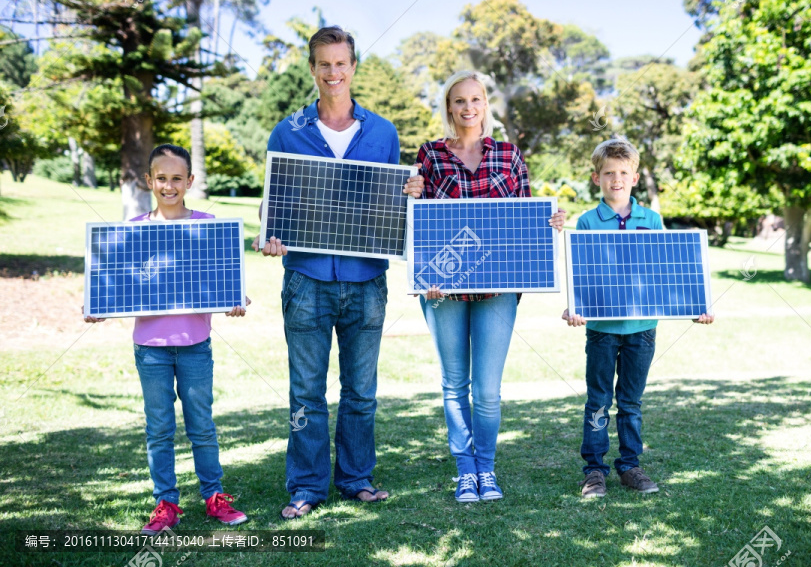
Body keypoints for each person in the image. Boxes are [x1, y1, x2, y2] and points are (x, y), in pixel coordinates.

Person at [252, 26, 424, 519]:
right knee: (306, 390)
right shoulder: (288, 132)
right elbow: (275, 203)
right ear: (312, 68)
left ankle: (355, 479)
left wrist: (408, 194)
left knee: (361, 390)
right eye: (323, 64)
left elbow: (389, 206)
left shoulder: (383, 133)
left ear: (353, 67)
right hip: (306, 278)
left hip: (366, 280)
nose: (333, 73)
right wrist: (271, 233)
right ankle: (306, 487)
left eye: (341, 63)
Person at [416, 70, 566, 502]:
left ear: (486, 105)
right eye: (459, 101)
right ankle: (465, 471)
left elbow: (525, 219)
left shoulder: (508, 155)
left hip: (498, 287)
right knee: (453, 384)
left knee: (486, 389)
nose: (468, 108)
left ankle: (486, 468)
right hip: (443, 289)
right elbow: (415, 220)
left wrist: (549, 221)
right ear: (449, 108)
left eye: (476, 100)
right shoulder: (429, 155)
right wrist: (424, 274)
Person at [84, 144, 249, 534]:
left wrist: (235, 299)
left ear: (189, 181)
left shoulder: (208, 225)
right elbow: (119, 287)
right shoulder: (135, 230)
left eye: (177, 178)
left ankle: (214, 497)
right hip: (151, 350)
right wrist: (99, 305)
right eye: (162, 178)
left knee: (201, 426)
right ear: (149, 181)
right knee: (159, 428)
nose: (169, 185)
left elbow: (223, 280)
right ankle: (166, 504)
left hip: (195, 346)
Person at [561, 136, 714, 498]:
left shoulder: (652, 219)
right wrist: (574, 307)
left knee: (630, 402)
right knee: (598, 400)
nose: (617, 179)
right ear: (596, 177)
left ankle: (630, 466)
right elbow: (583, 274)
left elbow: (667, 272)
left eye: (624, 172)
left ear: (635, 175)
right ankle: (594, 471)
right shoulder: (587, 222)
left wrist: (695, 307)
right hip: (601, 329)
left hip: (642, 330)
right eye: (609, 173)